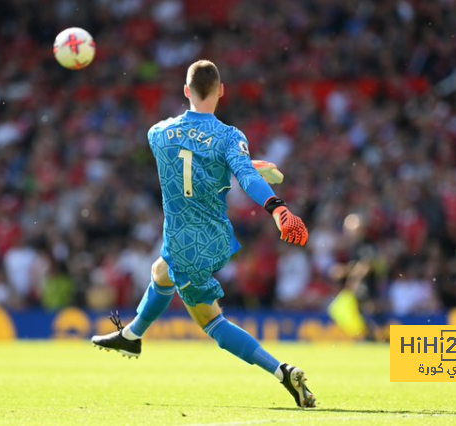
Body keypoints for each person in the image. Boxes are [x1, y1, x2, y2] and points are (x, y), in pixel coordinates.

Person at [91, 60, 315, 408]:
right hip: (213, 235)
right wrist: (278, 208)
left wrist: (234, 167)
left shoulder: (158, 133)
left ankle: (282, 371)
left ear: (185, 91)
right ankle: (132, 335)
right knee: (160, 272)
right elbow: (244, 177)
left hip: (184, 240)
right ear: (221, 90)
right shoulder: (230, 136)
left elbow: (188, 161)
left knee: (212, 323)